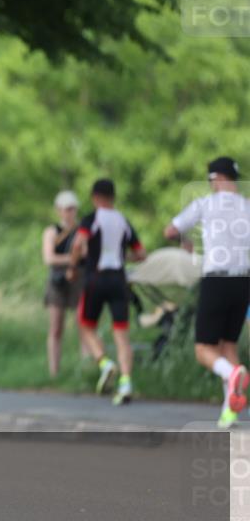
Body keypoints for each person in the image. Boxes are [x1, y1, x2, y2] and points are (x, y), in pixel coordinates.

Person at [164, 157, 249, 428]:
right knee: (228, 345)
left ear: (216, 178)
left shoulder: (206, 204)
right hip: (243, 281)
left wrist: (185, 241)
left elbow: (171, 230)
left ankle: (232, 372)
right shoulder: (247, 207)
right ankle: (229, 413)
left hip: (216, 280)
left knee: (204, 350)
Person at [67, 179, 146, 405]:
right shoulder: (124, 221)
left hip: (96, 278)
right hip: (119, 280)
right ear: (113, 197)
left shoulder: (92, 218)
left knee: (85, 325)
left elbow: (77, 244)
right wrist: (122, 257)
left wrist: (72, 268)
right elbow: (141, 254)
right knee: (121, 334)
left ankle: (104, 363)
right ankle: (126, 382)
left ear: (94, 197)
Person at [42, 190, 85, 377]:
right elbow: (49, 258)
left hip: (78, 279)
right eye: (66, 209)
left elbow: (86, 252)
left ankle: (85, 368)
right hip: (58, 281)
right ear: (59, 210)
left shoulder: (82, 231)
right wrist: (72, 258)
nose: (69, 212)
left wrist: (71, 260)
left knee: (84, 325)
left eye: (72, 208)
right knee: (56, 327)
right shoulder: (52, 231)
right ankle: (54, 372)